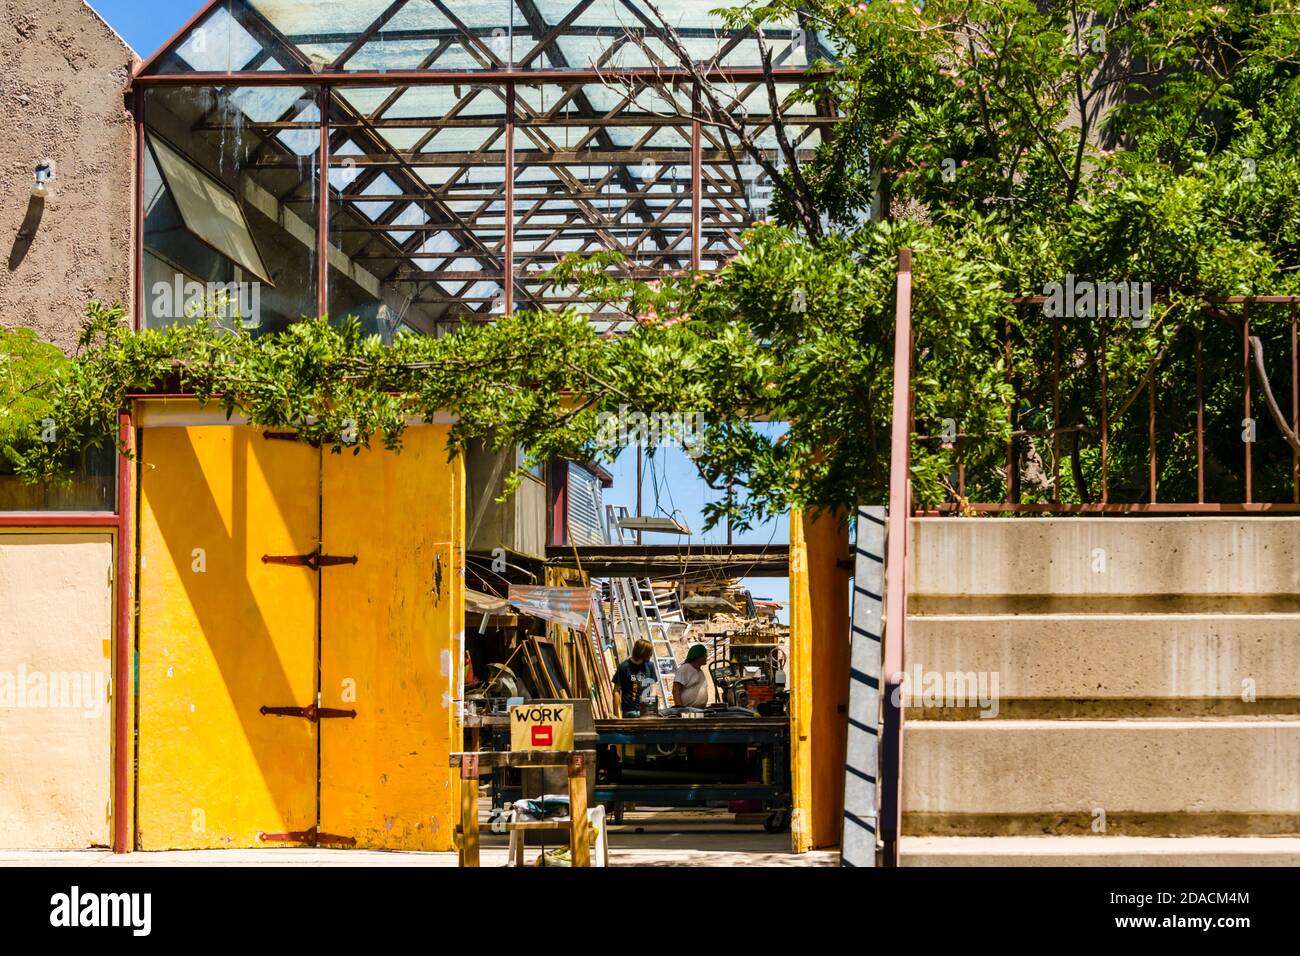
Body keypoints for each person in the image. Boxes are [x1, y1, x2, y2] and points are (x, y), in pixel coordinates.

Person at [614, 639, 657, 718]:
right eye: (649, 653)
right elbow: (616, 691)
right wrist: (616, 715)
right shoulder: (623, 667)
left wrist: (649, 707)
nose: (651, 655)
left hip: (647, 711)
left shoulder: (650, 666)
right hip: (630, 712)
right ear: (643, 653)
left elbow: (653, 688)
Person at [673, 644, 710, 709]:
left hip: (699, 710)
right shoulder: (685, 669)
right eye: (704, 655)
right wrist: (680, 709)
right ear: (698, 657)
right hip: (688, 711)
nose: (706, 656)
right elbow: (676, 690)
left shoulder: (700, 671)